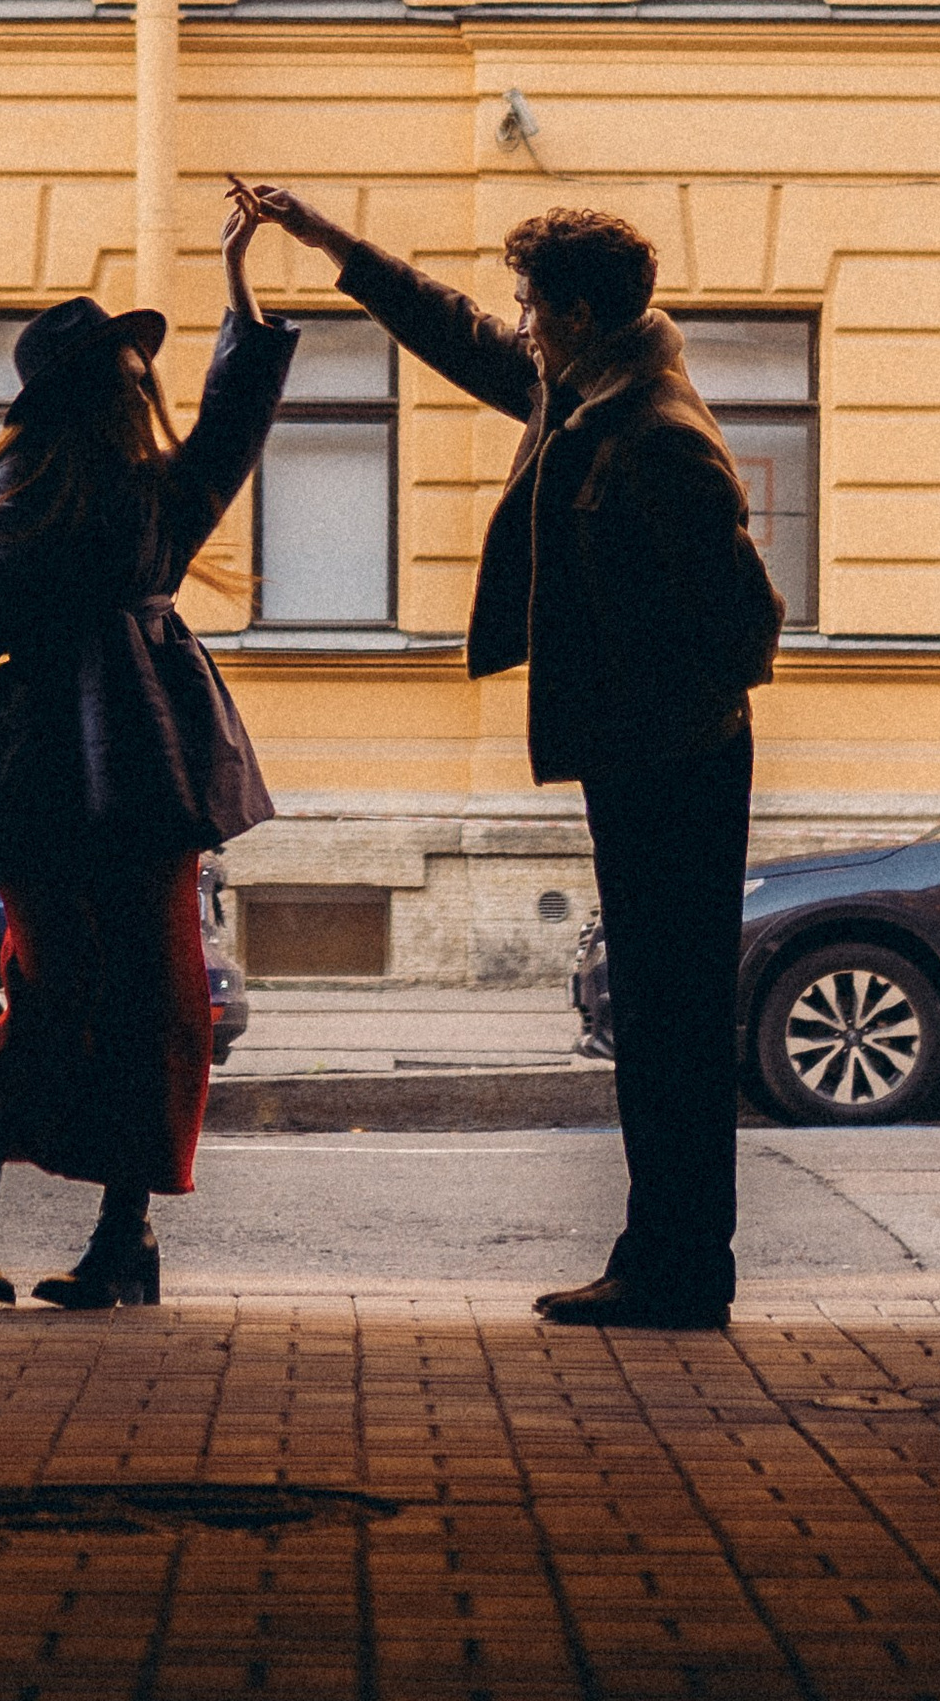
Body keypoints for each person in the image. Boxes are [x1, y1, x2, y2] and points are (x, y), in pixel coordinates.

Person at [239, 183, 780, 1330]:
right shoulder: (584, 388)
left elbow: (744, 623)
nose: (520, 323)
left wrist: (648, 712)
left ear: (578, 315)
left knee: (672, 1023)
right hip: (645, 754)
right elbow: (459, 334)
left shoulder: (655, 434)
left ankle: (680, 1267)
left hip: (674, 763)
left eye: (532, 305)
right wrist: (332, 244)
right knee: (656, 1017)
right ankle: (666, 1257)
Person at [0, 190, 295, 1307]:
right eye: (123, 373)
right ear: (86, 395)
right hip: (76, 788)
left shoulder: (149, 501)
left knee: (152, 1012)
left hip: (132, 785)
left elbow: (234, 420)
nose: (140, 386)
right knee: (66, 1002)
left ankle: (117, 1241)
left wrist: (241, 286)